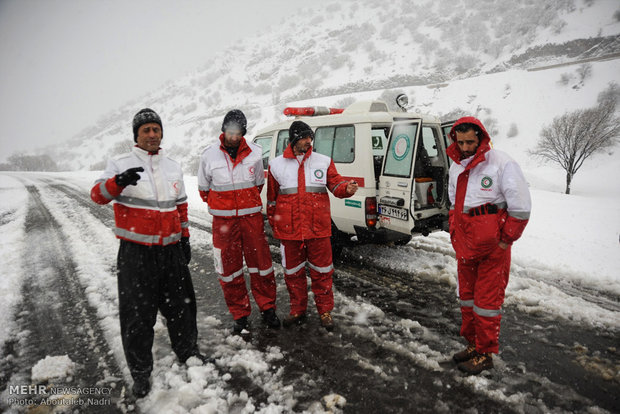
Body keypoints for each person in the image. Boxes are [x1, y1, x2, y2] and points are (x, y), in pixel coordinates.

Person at [90, 108, 209, 398]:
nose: (152, 134)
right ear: (137, 135)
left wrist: (184, 238)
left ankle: (188, 353)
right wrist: (117, 181)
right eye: (146, 130)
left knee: (182, 307)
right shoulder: (120, 163)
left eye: (156, 129)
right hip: (136, 253)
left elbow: (181, 205)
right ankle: (141, 373)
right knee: (137, 316)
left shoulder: (172, 165)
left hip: (170, 252)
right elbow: (97, 196)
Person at [447, 117, 531, 375]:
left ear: (481, 137)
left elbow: (521, 207)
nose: (465, 147)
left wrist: (505, 240)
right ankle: (473, 345)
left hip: (493, 248)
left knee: (486, 302)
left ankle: (485, 354)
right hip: (466, 246)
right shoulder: (456, 166)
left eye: (470, 141)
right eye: (460, 142)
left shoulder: (502, 163)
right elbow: (454, 204)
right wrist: (454, 231)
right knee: (468, 300)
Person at [267, 120, 358, 331]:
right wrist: (275, 225)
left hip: (318, 229)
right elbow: (272, 200)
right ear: (294, 140)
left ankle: (324, 311)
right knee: (293, 273)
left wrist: (346, 188)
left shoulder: (323, 161)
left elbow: (336, 184)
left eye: (310, 138)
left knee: (323, 272)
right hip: (290, 232)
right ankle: (297, 310)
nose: (309, 142)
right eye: (304, 138)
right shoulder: (276, 165)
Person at [198, 109, 279, 334]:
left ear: (243, 132)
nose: (234, 137)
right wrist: (224, 206)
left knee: (262, 266)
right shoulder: (208, 155)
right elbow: (204, 189)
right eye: (230, 131)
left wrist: (244, 204)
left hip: (251, 220)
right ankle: (240, 314)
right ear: (223, 130)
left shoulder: (255, 152)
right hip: (223, 224)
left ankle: (267, 308)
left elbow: (258, 184)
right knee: (229, 270)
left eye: (238, 132)